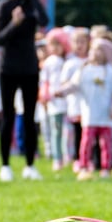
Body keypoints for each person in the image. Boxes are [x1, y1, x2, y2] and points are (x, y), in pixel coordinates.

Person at [0, 0, 49, 182]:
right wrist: (14, 23)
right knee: (8, 117)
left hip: (29, 67)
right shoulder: (5, 6)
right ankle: (5, 165)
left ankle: (30, 165)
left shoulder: (33, 4)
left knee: (29, 117)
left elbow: (45, 21)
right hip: (8, 68)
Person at [58, 38, 112, 181]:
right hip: (89, 115)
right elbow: (73, 85)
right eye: (93, 49)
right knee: (86, 142)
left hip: (106, 117)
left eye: (99, 50)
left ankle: (106, 168)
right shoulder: (84, 70)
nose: (95, 53)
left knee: (106, 143)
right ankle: (84, 166)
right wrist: (61, 92)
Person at [39, 28, 69, 172]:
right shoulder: (49, 62)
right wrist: (44, 96)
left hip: (67, 102)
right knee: (55, 130)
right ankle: (57, 157)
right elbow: (44, 81)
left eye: (59, 44)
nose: (56, 48)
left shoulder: (68, 60)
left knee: (67, 132)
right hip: (54, 102)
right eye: (53, 44)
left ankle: (68, 155)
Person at [59, 27, 90, 169]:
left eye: (82, 42)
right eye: (76, 42)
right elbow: (64, 83)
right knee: (76, 132)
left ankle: (88, 158)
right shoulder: (70, 63)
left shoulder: (91, 61)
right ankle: (76, 158)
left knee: (87, 133)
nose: (79, 45)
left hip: (89, 104)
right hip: (74, 104)